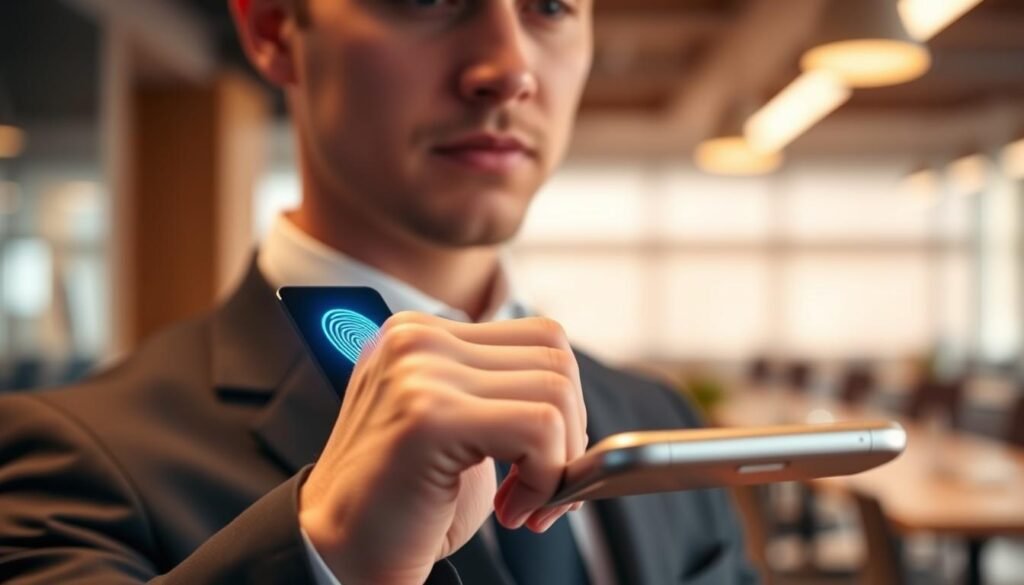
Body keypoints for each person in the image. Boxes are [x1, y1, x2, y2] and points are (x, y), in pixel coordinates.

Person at [0, 0, 759, 583]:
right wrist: (321, 552)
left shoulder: (660, 421)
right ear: (272, 25)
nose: (509, 66)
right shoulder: (71, 464)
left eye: (553, 5)